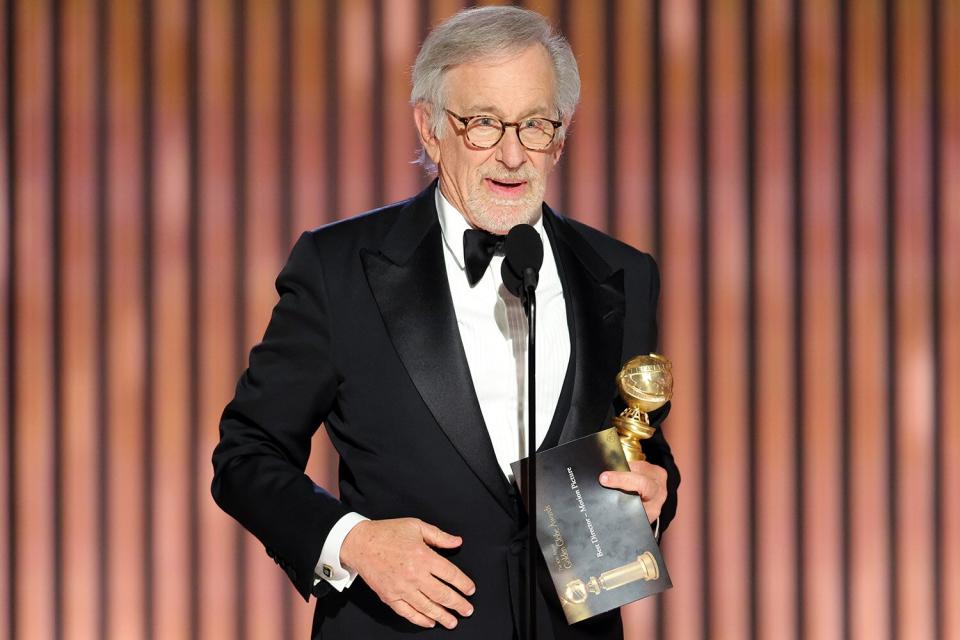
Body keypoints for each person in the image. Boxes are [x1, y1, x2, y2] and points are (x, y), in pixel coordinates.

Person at [212, 6, 679, 639]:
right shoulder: (341, 268)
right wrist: (352, 543)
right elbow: (246, 455)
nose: (513, 154)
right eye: (483, 123)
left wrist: (655, 494)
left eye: (536, 124)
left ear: (561, 136)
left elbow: (637, 447)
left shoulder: (622, 273)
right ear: (430, 130)